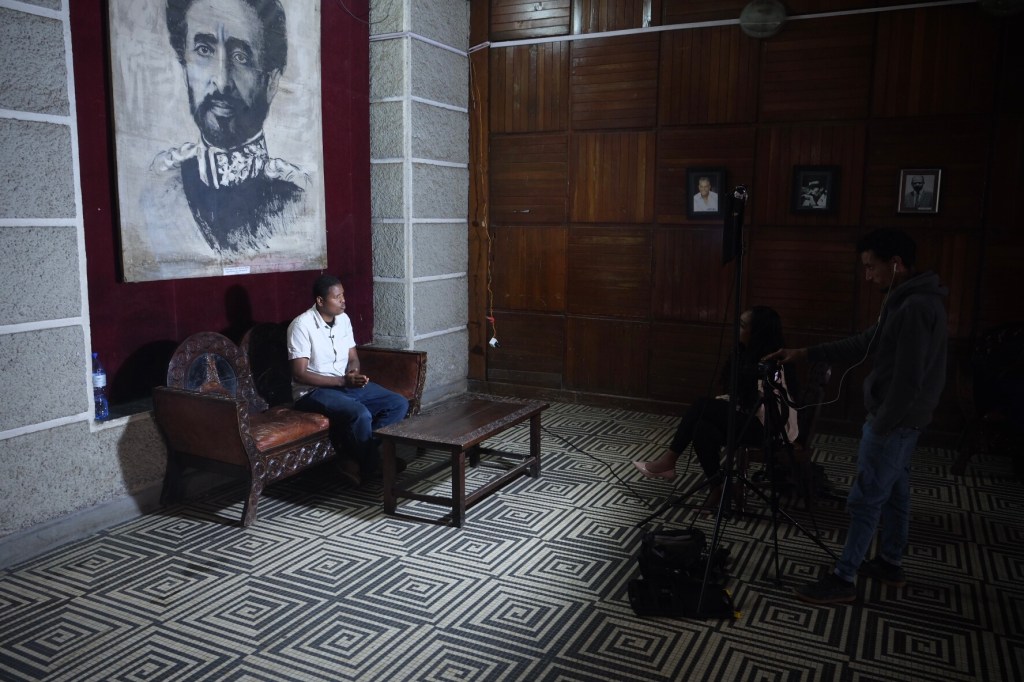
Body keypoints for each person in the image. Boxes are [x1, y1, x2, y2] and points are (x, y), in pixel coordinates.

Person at [764, 228, 948, 605]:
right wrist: (805, 353)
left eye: (870, 267)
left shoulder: (914, 307)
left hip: (893, 421)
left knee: (866, 499)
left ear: (895, 264)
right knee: (894, 493)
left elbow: (908, 379)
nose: (867, 276)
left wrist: (881, 425)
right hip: (903, 421)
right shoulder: (906, 300)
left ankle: (844, 577)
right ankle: (890, 563)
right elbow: (866, 342)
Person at [151, 0, 309, 254]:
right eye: (204, 50)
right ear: (185, 69)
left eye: (241, 57)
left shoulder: (299, 198)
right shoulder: (159, 190)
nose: (222, 81)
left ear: (271, 82)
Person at [633, 306, 799, 512]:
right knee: (701, 428)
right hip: (750, 417)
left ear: (757, 333)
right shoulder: (745, 353)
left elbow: (769, 406)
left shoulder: (774, 361)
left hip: (770, 428)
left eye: (742, 326)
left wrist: (724, 406)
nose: (736, 330)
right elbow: (741, 398)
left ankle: (669, 460)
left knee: (701, 405)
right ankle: (718, 487)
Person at [287, 274, 410, 486]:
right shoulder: (301, 325)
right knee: (360, 414)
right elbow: (300, 374)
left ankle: (355, 458)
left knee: (397, 403)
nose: (344, 301)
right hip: (313, 391)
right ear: (320, 301)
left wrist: (353, 374)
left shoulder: (343, 319)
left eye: (343, 295)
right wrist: (343, 382)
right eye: (337, 297)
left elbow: (353, 357)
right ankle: (372, 465)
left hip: (343, 384)